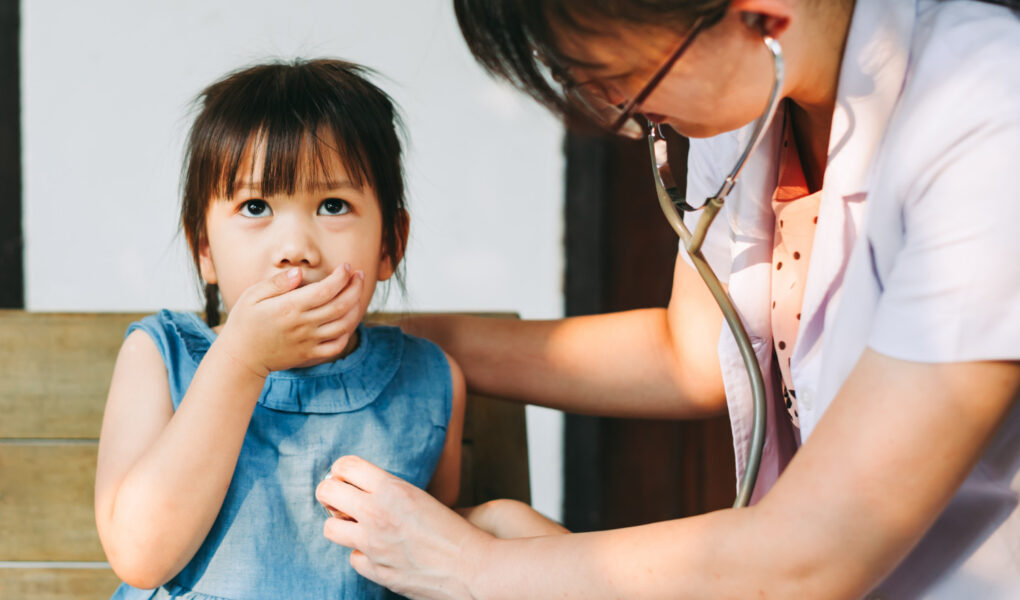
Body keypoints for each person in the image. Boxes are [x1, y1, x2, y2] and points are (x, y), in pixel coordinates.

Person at [315, 0, 1020, 597]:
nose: (626, 111)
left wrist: (480, 569)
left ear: (761, 16)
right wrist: (400, 339)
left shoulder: (990, 118)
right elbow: (694, 352)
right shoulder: (753, 100)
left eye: (623, 81)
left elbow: (818, 551)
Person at [94, 58, 466, 600]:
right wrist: (241, 361)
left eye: (333, 205)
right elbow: (140, 556)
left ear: (391, 245)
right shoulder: (161, 356)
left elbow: (430, 567)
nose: (295, 248)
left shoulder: (430, 381)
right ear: (205, 250)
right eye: (255, 206)